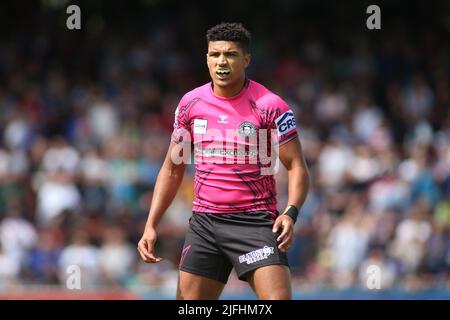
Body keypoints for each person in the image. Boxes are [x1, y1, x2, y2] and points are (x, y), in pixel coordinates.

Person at [137, 22, 310, 300]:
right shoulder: (190, 104)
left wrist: (290, 212)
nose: (221, 61)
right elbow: (172, 169)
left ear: (246, 59)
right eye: (214, 54)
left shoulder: (270, 106)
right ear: (206, 59)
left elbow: (297, 166)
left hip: (255, 223)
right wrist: (151, 224)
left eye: (230, 54)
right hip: (205, 224)